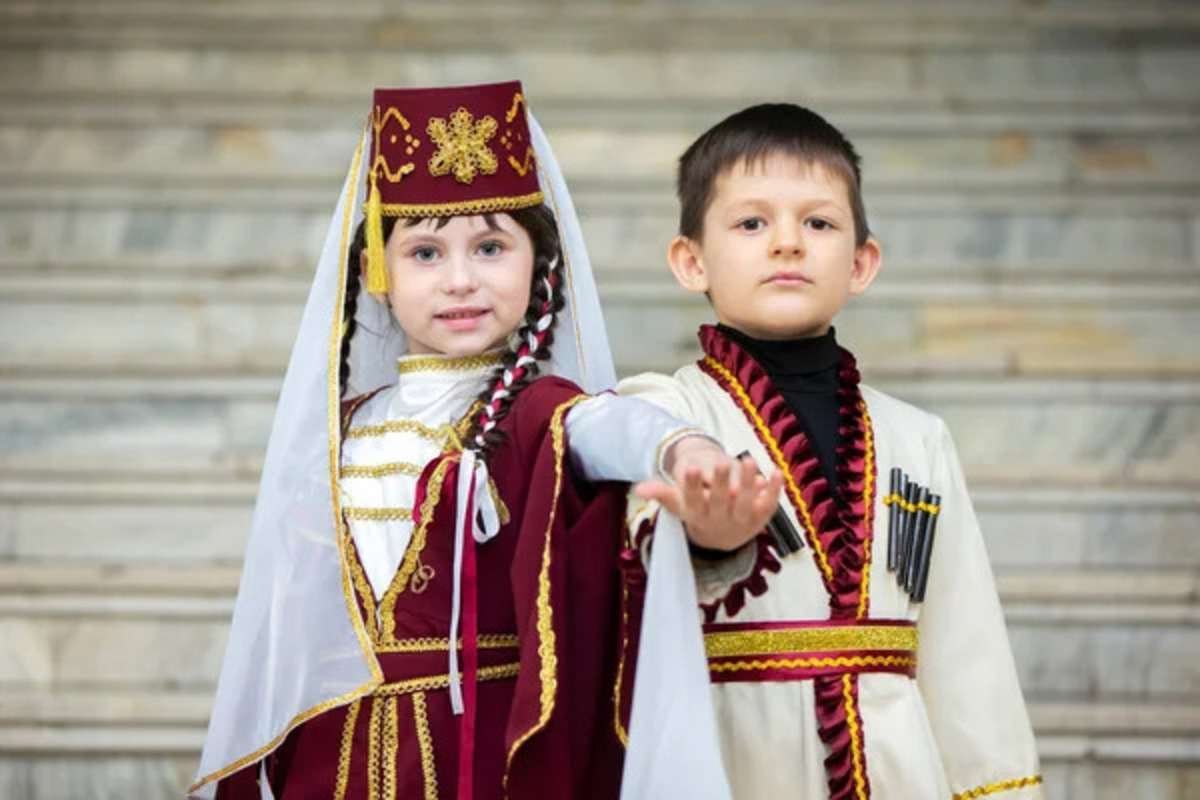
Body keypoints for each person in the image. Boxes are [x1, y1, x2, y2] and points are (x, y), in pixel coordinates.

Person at [188, 81, 780, 800]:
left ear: (539, 266)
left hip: (481, 764)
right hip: (327, 765)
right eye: (426, 253)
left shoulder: (533, 413)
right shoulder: (338, 433)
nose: (461, 280)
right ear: (379, 272)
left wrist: (683, 451)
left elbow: (608, 425)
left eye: (492, 246)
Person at [619, 104, 1043, 800]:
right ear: (690, 260)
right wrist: (709, 542)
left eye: (818, 222)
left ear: (862, 262)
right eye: (751, 223)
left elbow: (967, 649)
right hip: (733, 758)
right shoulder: (662, 412)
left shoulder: (918, 438)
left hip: (903, 770)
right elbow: (632, 540)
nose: (787, 243)